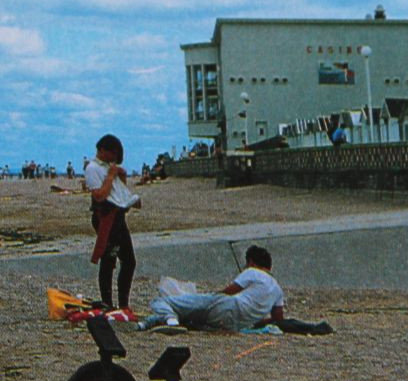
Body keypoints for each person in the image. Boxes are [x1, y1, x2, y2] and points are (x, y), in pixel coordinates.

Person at [138, 245, 285, 332]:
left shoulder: (253, 272)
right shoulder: (278, 289)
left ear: (251, 262)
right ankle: (147, 323)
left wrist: (210, 297)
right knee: (190, 318)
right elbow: (278, 319)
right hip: (233, 324)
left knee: (162, 301)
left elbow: (229, 292)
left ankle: (169, 320)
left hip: (227, 306)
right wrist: (254, 320)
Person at [84, 133, 141, 311]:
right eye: (112, 153)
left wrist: (120, 177)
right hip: (105, 217)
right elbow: (100, 195)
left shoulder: (109, 167)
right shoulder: (92, 168)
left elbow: (119, 192)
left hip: (118, 216)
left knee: (129, 261)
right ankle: (107, 302)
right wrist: (110, 176)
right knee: (109, 260)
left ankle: (123, 303)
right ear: (102, 150)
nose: (114, 158)